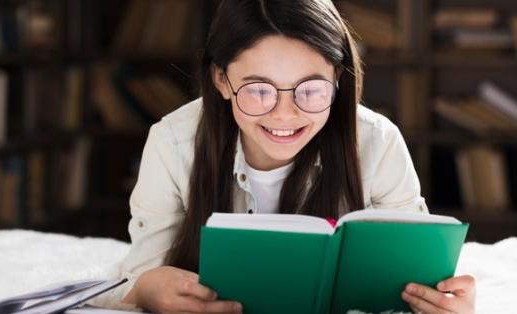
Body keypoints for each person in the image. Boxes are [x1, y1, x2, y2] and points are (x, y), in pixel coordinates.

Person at [100, 0, 476, 313]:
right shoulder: (173, 143)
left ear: (338, 79)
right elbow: (137, 276)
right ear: (220, 81)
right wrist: (148, 289)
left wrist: (440, 301)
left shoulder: (377, 142)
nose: (284, 114)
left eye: (310, 90)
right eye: (259, 90)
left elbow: (416, 277)